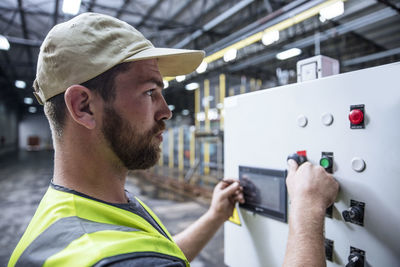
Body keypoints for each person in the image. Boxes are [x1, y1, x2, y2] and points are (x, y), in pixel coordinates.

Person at [8, 12, 338, 267]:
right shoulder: (114, 256)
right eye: (149, 92)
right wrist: (307, 211)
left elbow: (162, 256)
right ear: (83, 106)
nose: (166, 111)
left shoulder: (70, 210)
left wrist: (214, 217)